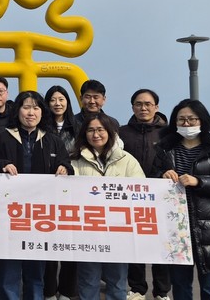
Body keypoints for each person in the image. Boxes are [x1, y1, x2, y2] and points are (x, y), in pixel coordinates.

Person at [0, 90, 73, 300]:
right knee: (8, 273)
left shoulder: (53, 140)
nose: (31, 112)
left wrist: (65, 168)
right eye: (26, 107)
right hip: (8, 215)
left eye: (36, 108)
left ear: (42, 112)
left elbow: (67, 164)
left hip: (39, 216)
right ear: (17, 111)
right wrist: (2, 164)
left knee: (35, 273)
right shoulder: (2, 138)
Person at [152, 99, 210, 300]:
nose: (186, 124)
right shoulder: (165, 149)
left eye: (192, 119)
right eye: (181, 119)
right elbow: (152, 177)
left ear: (203, 121)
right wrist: (161, 175)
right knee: (180, 285)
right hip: (176, 228)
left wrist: (199, 181)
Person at [70, 113, 144, 300]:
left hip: (119, 233)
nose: (96, 134)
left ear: (110, 132)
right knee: (88, 280)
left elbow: (141, 192)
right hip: (87, 232)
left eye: (100, 130)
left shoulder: (127, 160)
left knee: (117, 282)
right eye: (90, 130)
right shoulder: (74, 160)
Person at [119, 89, 171, 300]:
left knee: (161, 244)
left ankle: (162, 292)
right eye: (139, 104)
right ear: (132, 107)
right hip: (130, 197)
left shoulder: (168, 133)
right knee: (134, 244)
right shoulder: (122, 132)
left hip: (161, 197)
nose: (143, 108)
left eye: (148, 104)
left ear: (156, 107)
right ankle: (137, 288)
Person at [42, 85, 79, 300]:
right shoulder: (42, 127)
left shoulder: (77, 127)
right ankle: (48, 291)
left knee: (70, 243)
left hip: (72, 189)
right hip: (46, 190)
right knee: (48, 244)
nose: (57, 103)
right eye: (53, 99)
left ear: (68, 102)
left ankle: (66, 291)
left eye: (61, 99)